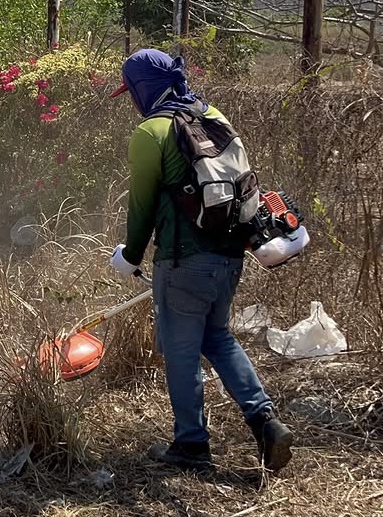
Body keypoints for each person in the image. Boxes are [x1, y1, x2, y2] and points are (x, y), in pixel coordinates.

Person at [109, 48, 292, 472]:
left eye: (132, 91)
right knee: (218, 337)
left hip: (182, 262)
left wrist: (130, 255)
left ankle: (191, 445)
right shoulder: (213, 115)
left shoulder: (150, 132)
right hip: (229, 257)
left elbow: (142, 206)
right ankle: (265, 421)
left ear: (142, 89)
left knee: (180, 352)